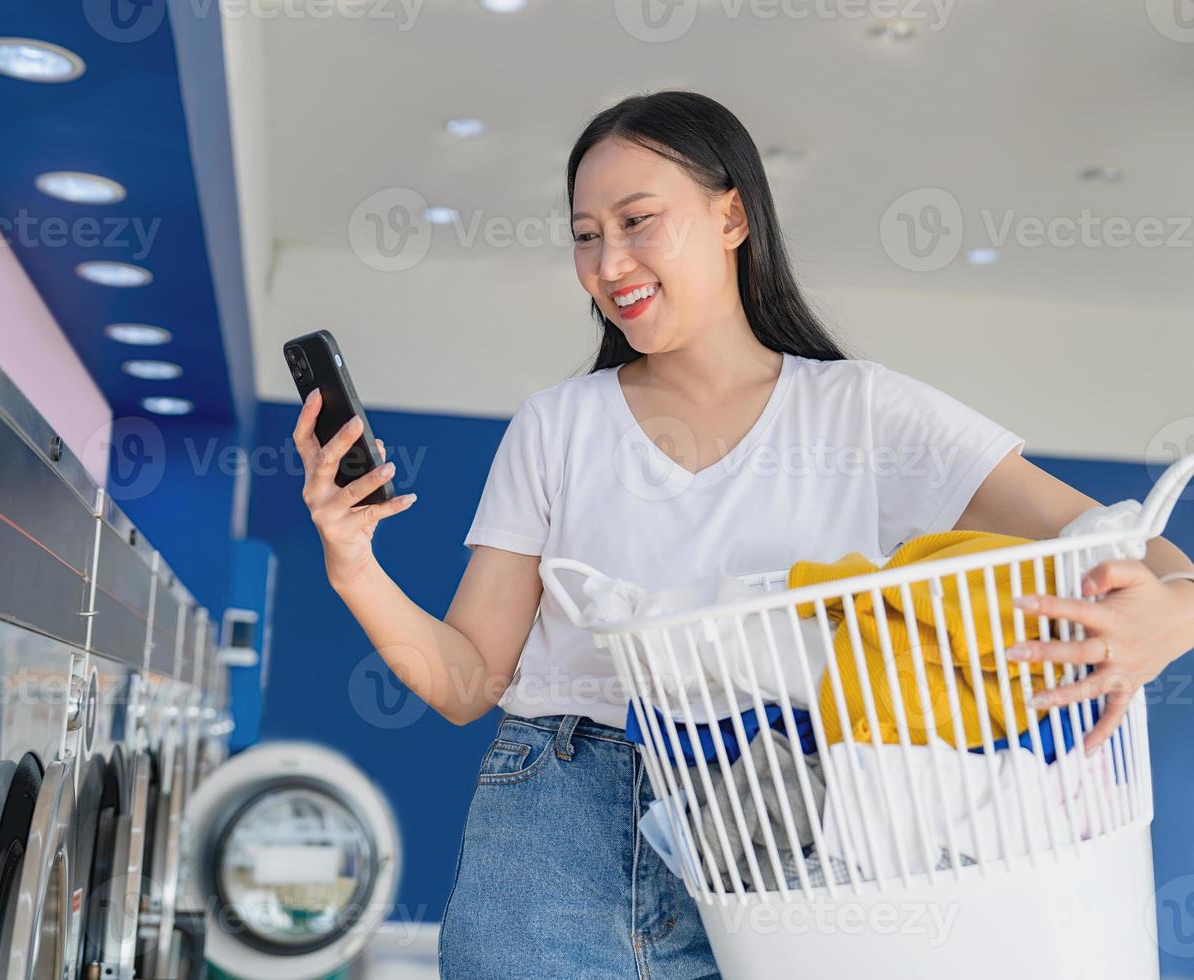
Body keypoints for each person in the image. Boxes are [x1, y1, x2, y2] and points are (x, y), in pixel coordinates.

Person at [291, 90, 1194, 979]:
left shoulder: (862, 411)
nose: (608, 262)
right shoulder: (557, 425)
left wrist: (1171, 617)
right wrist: (352, 562)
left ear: (732, 218)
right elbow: (467, 682)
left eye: (638, 220)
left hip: (784, 835)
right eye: (585, 233)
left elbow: (1124, 542)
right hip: (553, 825)